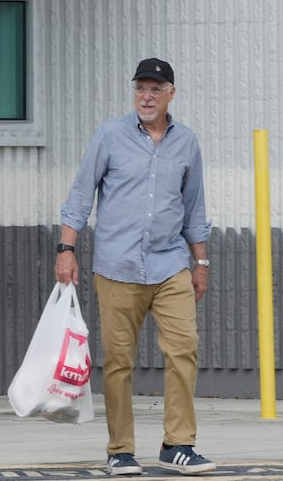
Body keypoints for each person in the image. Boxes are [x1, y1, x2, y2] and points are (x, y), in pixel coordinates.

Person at [55, 57, 214, 477]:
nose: (146, 96)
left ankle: (178, 444)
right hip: (117, 266)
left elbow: (194, 208)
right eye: (141, 88)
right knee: (120, 361)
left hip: (171, 264)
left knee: (184, 350)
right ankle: (120, 449)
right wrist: (65, 250)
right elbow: (80, 194)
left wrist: (200, 262)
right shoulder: (110, 136)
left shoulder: (187, 143)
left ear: (170, 94)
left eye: (155, 89)